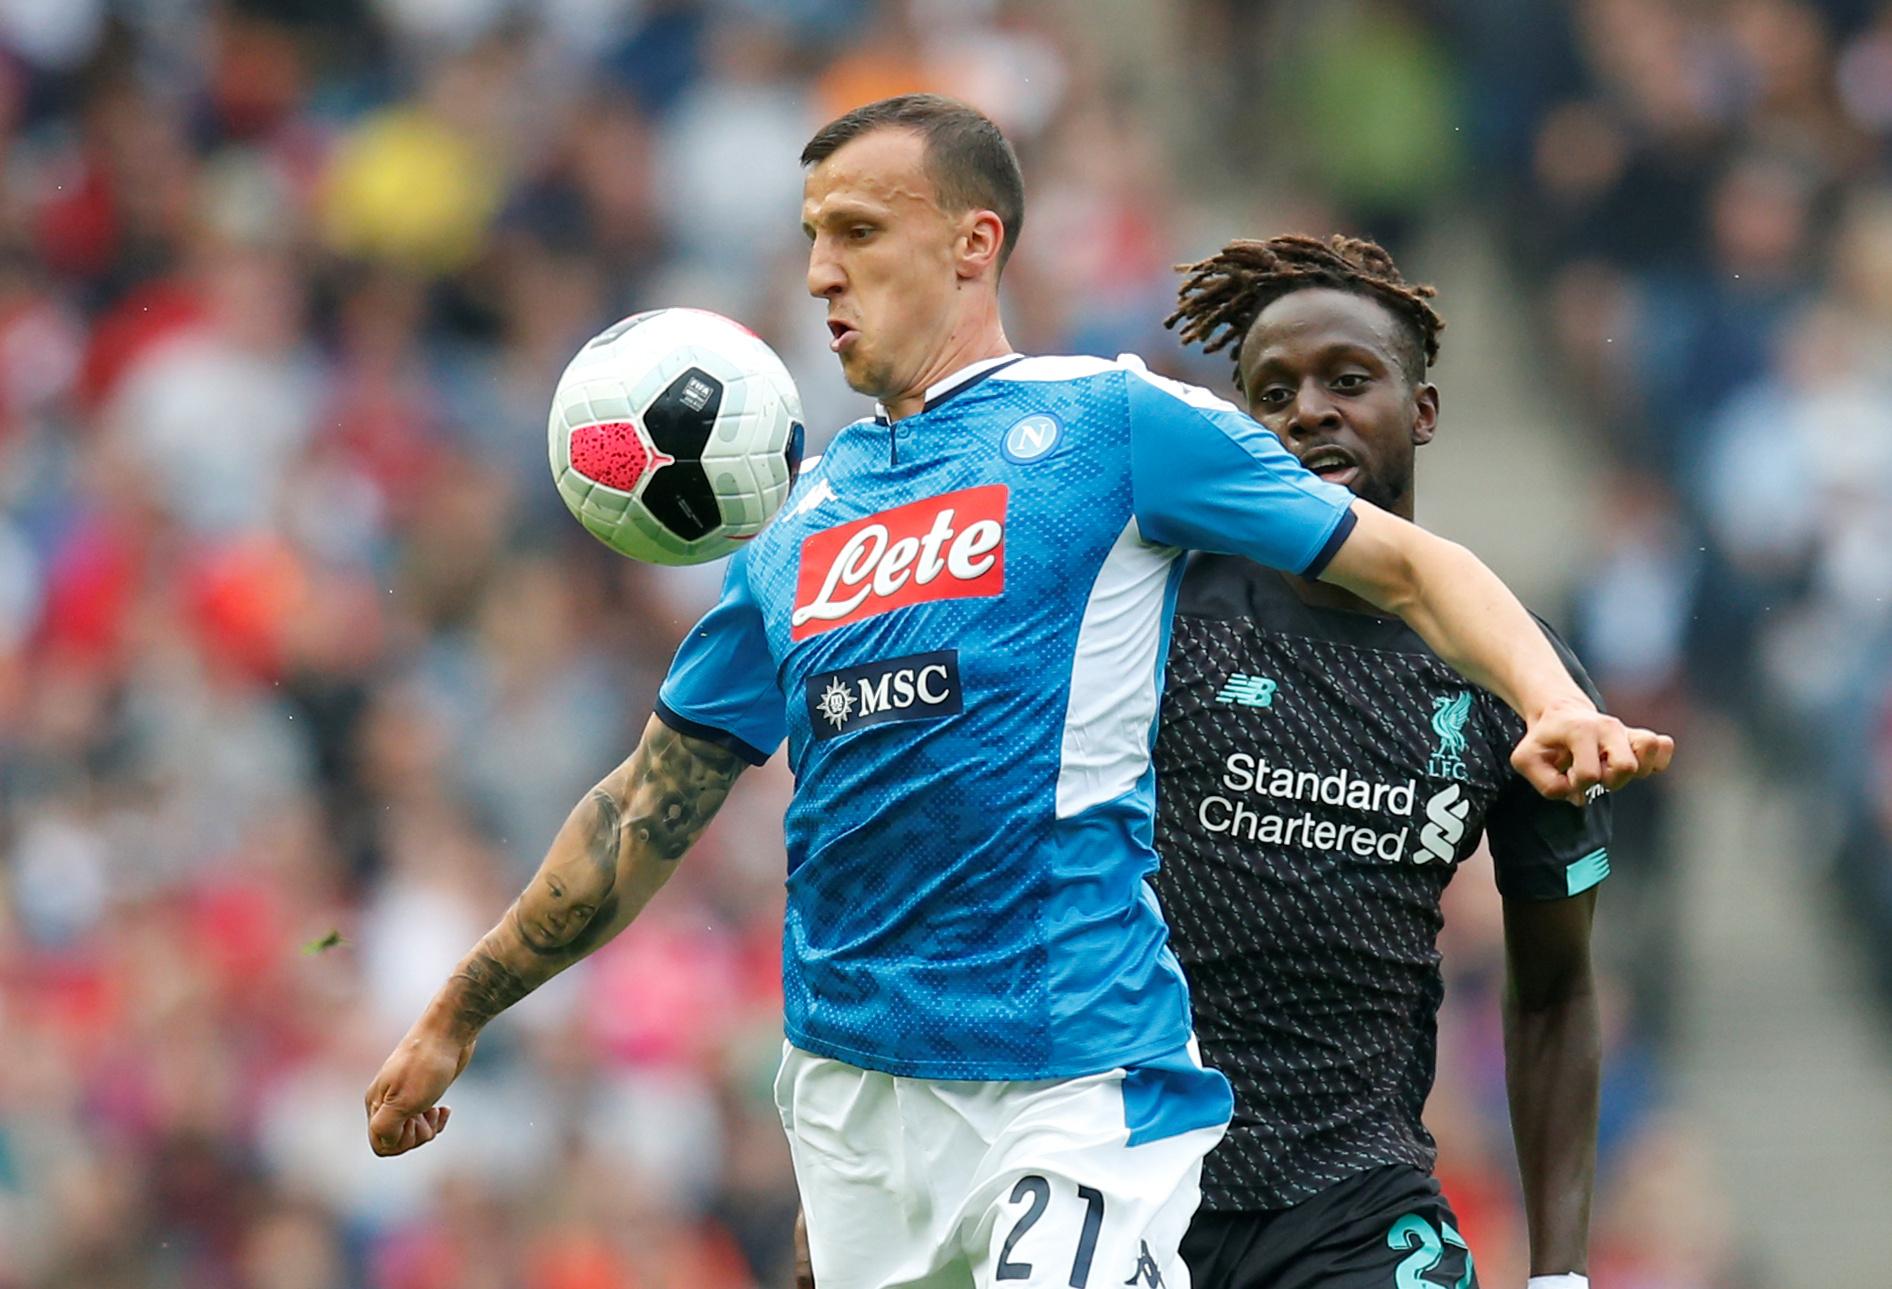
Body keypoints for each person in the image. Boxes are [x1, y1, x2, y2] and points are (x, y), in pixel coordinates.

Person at [364, 97, 1671, 1289]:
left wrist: (1550, 698)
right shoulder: (794, 529)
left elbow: (1412, 565)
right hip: (853, 1097)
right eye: (812, 235)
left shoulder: (1111, 426)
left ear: (973, 242)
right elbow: (645, 807)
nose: (820, 268)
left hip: (1073, 1075)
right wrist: (456, 1012)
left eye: (860, 230)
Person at [1155, 233, 1620, 1289]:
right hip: (1132, 1175)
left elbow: (1553, 991)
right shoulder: (1155, 621)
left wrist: (1557, 1272)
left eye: (1346, 379)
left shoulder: (1520, 676)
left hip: (1353, 1199)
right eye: (1271, 391)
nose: (1306, 408)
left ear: (1423, 409)